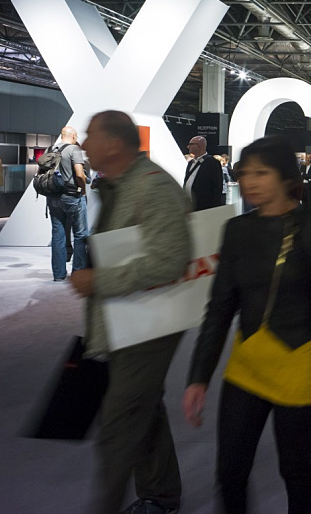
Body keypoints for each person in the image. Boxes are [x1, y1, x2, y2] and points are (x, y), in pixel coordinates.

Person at [184, 137, 311, 514]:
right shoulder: (236, 230)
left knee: (295, 468)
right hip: (247, 363)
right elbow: (219, 307)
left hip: (300, 362)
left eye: (261, 173)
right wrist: (199, 376)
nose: (249, 181)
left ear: (285, 178)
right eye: (245, 173)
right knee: (230, 471)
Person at [71, 111, 192, 514]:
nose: (84, 144)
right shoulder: (119, 185)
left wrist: (98, 281)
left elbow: (169, 261)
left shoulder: (152, 187)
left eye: (91, 136)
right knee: (143, 409)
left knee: (120, 422)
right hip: (128, 317)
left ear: (114, 144)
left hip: (150, 323)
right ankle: (161, 495)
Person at [46, 127, 90, 282]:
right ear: (74, 136)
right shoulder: (74, 149)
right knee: (80, 235)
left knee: (58, 235)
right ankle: (78, 272)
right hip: (73, 197)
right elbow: (79, 174)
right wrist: (83, 190)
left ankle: (58, 274)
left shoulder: (50, 149)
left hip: (53, 198)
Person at [184, 136, 225, 212]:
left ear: (198, 146)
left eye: (191, 144)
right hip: (190, 206)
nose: (188, 146)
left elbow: (217, 187)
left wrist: (214, 209)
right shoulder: (191, 163)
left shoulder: (212, 163)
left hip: (204, 207)